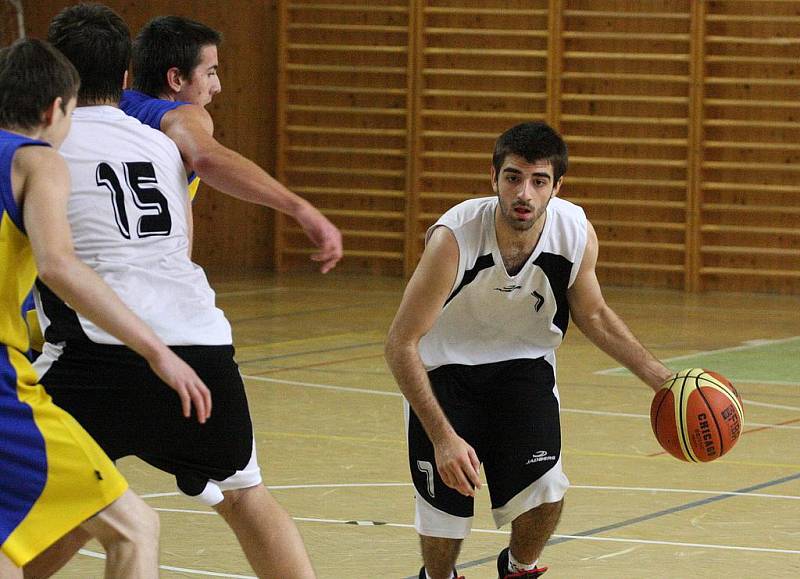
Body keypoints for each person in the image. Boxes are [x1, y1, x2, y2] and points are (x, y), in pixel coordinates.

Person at [23, 5, 314, 579]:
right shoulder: (165, 140)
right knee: (246, 496)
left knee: (43, 504)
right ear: (128, 77)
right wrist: (299, 208)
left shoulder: (36, 149)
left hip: (97, 353)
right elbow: (199, 148)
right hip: (199, 347)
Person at [384, 121, 674, 579]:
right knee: (448, 515)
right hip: (445, 373)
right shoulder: (454, 239)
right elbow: (400, 343)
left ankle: (518, 568)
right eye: (513, 177)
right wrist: (443, 438)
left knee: (546, 489)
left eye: (539, 181)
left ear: (557, 186)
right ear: (493, 178)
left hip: (523, 367)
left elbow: (593, 314)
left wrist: (662, 379)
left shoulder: (574, 231)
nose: (524, 193)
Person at [0, 38, 210, 578]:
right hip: (3, 377)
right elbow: (61, 267)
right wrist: (156, 350)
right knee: (133, 528)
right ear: (55, 110)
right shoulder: (36, 159)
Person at [120, 14, 342, 272]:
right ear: (176, 79)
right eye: (210, 73)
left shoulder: (110, 108)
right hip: (158, 281)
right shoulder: (184, 115)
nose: (218, 86)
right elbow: (207, 159)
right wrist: (299, 207)